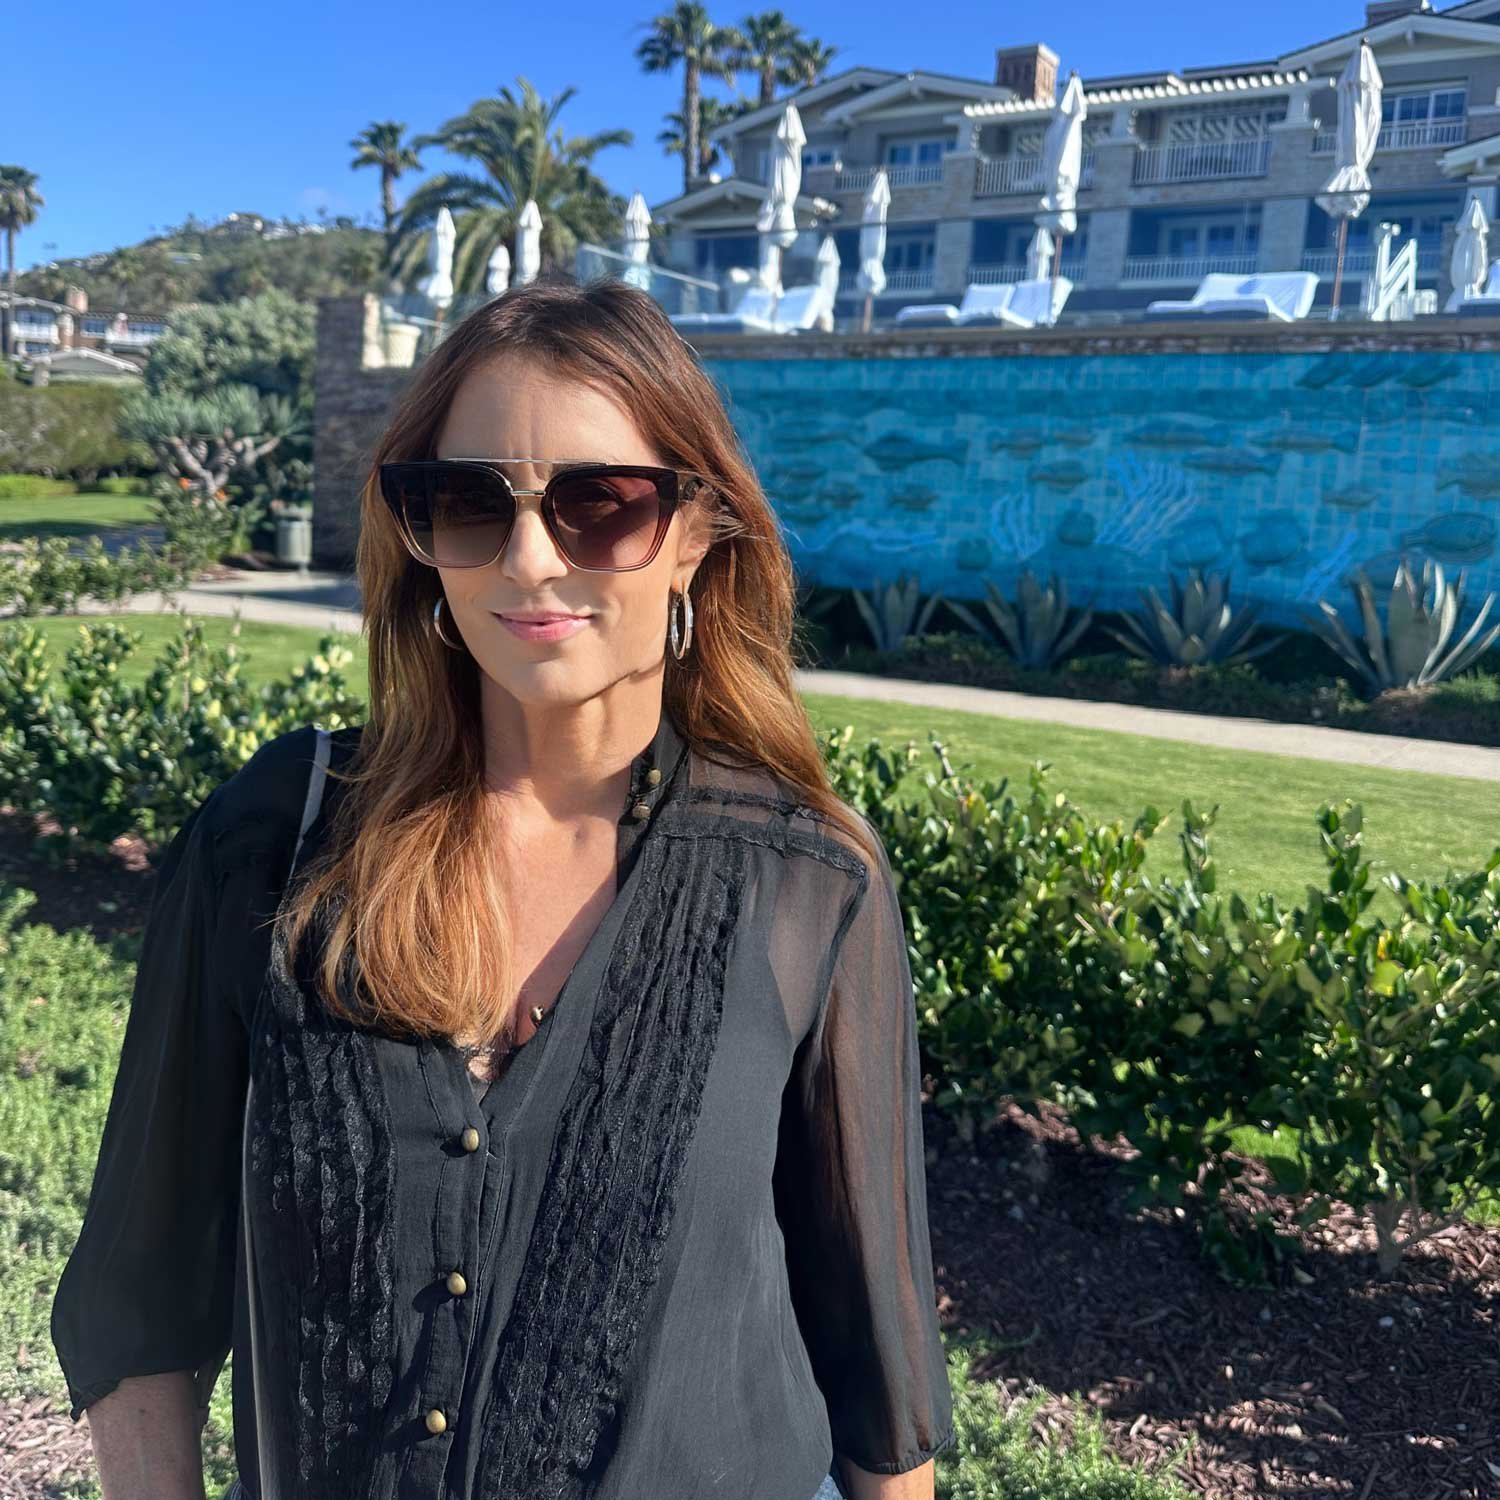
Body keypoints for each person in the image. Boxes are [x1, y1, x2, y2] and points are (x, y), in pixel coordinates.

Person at [50, 279, 955, 1500]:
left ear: (695, 532)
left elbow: (879, 1389)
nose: (530, 559)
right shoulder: (276, 842)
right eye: (473, 503)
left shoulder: (805, 884)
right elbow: (142, 1290)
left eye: (600, 503)